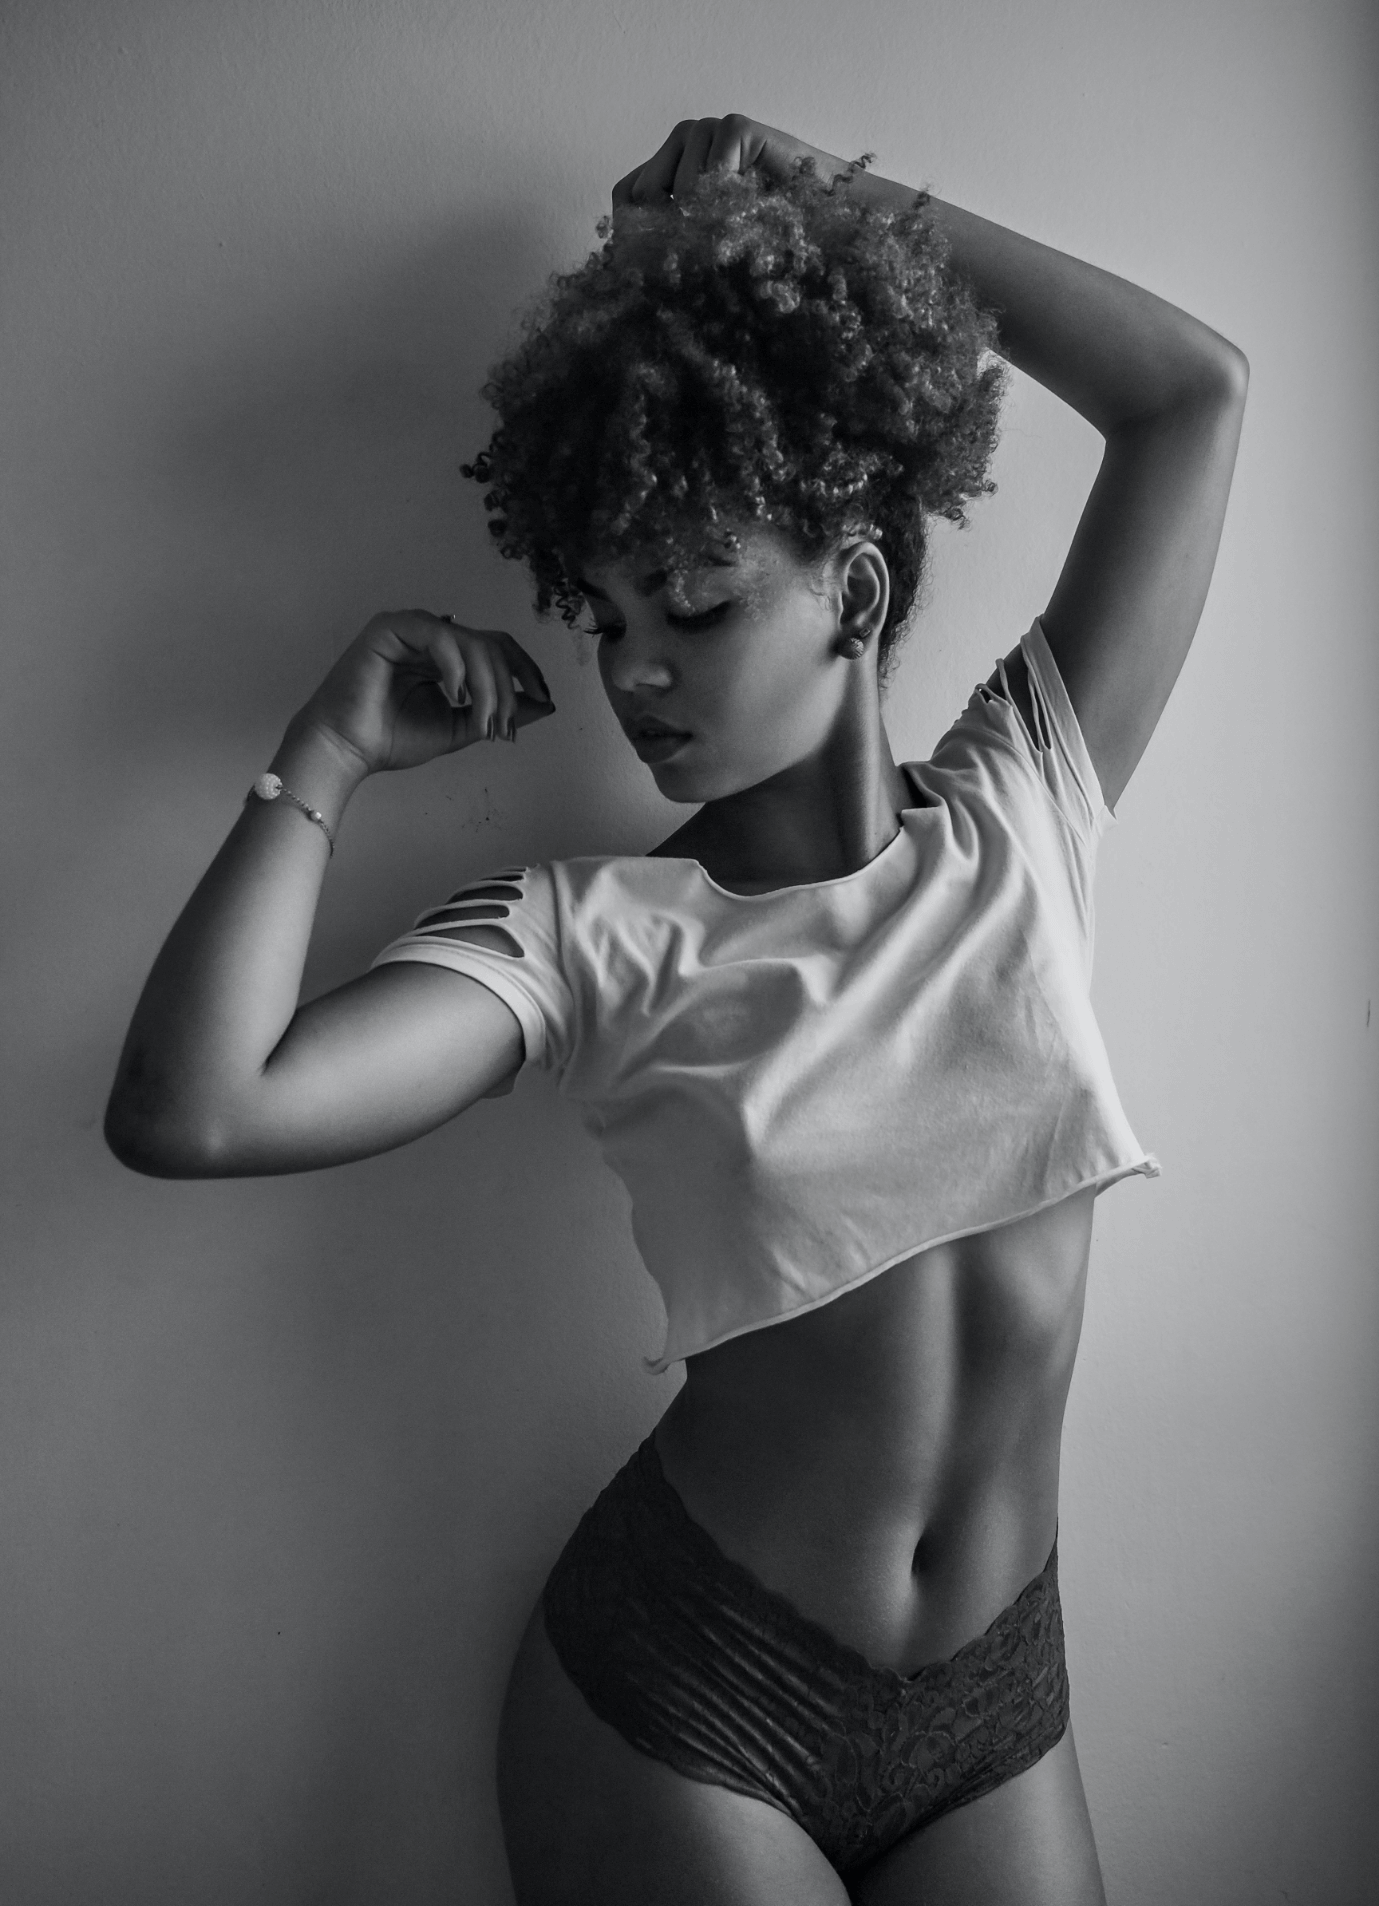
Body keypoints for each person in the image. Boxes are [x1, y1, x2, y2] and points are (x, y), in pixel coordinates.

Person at [105, 115, 1248, 1905]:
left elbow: (1192, 397)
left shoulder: (1023, 808)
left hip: (1000, 1705)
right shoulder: (592, 936)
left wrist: (830, 200)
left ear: (854, 591)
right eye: (609, 614)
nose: (634, 669)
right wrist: (319, 758)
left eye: (697, 606)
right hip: (696, 1702)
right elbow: (197, 1110)